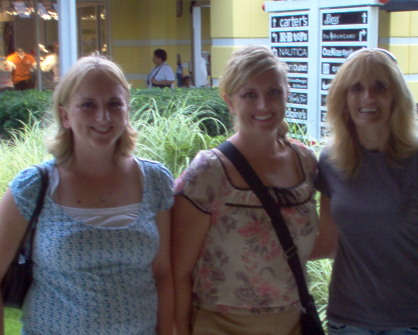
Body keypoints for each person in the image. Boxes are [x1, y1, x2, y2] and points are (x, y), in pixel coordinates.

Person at [0, 56, 174, 335]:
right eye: (88, 105)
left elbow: (163, 275)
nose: (103, 117)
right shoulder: (33, 187)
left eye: (114, 104)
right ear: (66, 115)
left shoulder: (155, 181)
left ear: (127, 110)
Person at [172, 45, 319, 335]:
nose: (263, 105)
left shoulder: (305, 163)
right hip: (221, 326)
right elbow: (180, 271)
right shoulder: (209, 173)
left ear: (287, 93)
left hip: (292, 323)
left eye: (273, 92)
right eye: (250, 95)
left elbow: (319, 243)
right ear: (230, 102)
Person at [313, 48, 418, 334]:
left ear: (396, 97)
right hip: (348, 321)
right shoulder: (330, 162)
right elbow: (327, 242)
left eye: (380, 87)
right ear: (343, 98)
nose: (368, 98)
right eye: (357, 88)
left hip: (416, 322)